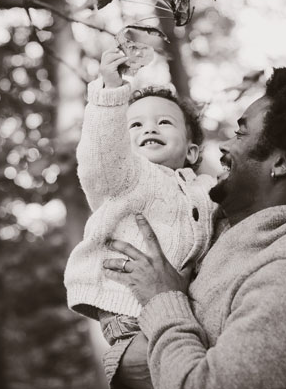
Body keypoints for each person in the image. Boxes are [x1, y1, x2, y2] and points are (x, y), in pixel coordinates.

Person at [103, 66, 286, 389]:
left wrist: (163, 299)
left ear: (282, 161)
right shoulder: (215, 231)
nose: (225, 146)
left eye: (242, 133)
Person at [63, 49, 218, 382]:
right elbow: (101, 155)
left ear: (191, 151)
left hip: (179, 318)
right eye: (134, 124)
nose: (150, 128)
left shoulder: (203, 188)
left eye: (164, 122)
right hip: (131, 325)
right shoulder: (127, 177)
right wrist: (110, 90)